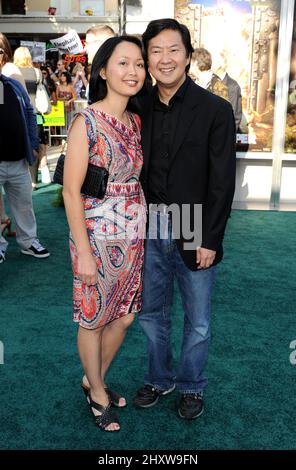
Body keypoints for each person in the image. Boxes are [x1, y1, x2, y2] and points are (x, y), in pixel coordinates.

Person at [132, 19, 236, 420]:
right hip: (147, 222)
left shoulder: (215, 110)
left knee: (198, 318)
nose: (164, 58)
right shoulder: (137, 105)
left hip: (193, 221)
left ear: (188, 56)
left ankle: (192, 384)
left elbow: (222, 182)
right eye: (155, 51)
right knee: (150, 312)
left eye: (173, 49)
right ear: (147, 59)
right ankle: (159, 377)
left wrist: (210, 238)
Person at [63, 35, 147, 431]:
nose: (133, 71)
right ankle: (97, 391)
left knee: (126, 316)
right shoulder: (87, 121)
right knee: (93, 318)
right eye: (123, 63)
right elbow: (70, 189)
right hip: (95, 235)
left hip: (132, 234)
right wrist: (83, 250)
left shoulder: (136, 120)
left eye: (139, 64)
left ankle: (91, 378)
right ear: (102, 70)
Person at [0, 46, 50, 263]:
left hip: (18, 158)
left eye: (0, 53)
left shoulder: (10, 85)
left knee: (24, 203)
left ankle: (28, 241)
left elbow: (29, 112)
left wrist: (32, 143)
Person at [214, 51, 242, 131]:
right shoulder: (210, 82)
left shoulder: (233, 86)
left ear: (220, 63)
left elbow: (235, 116)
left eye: (214, 61)